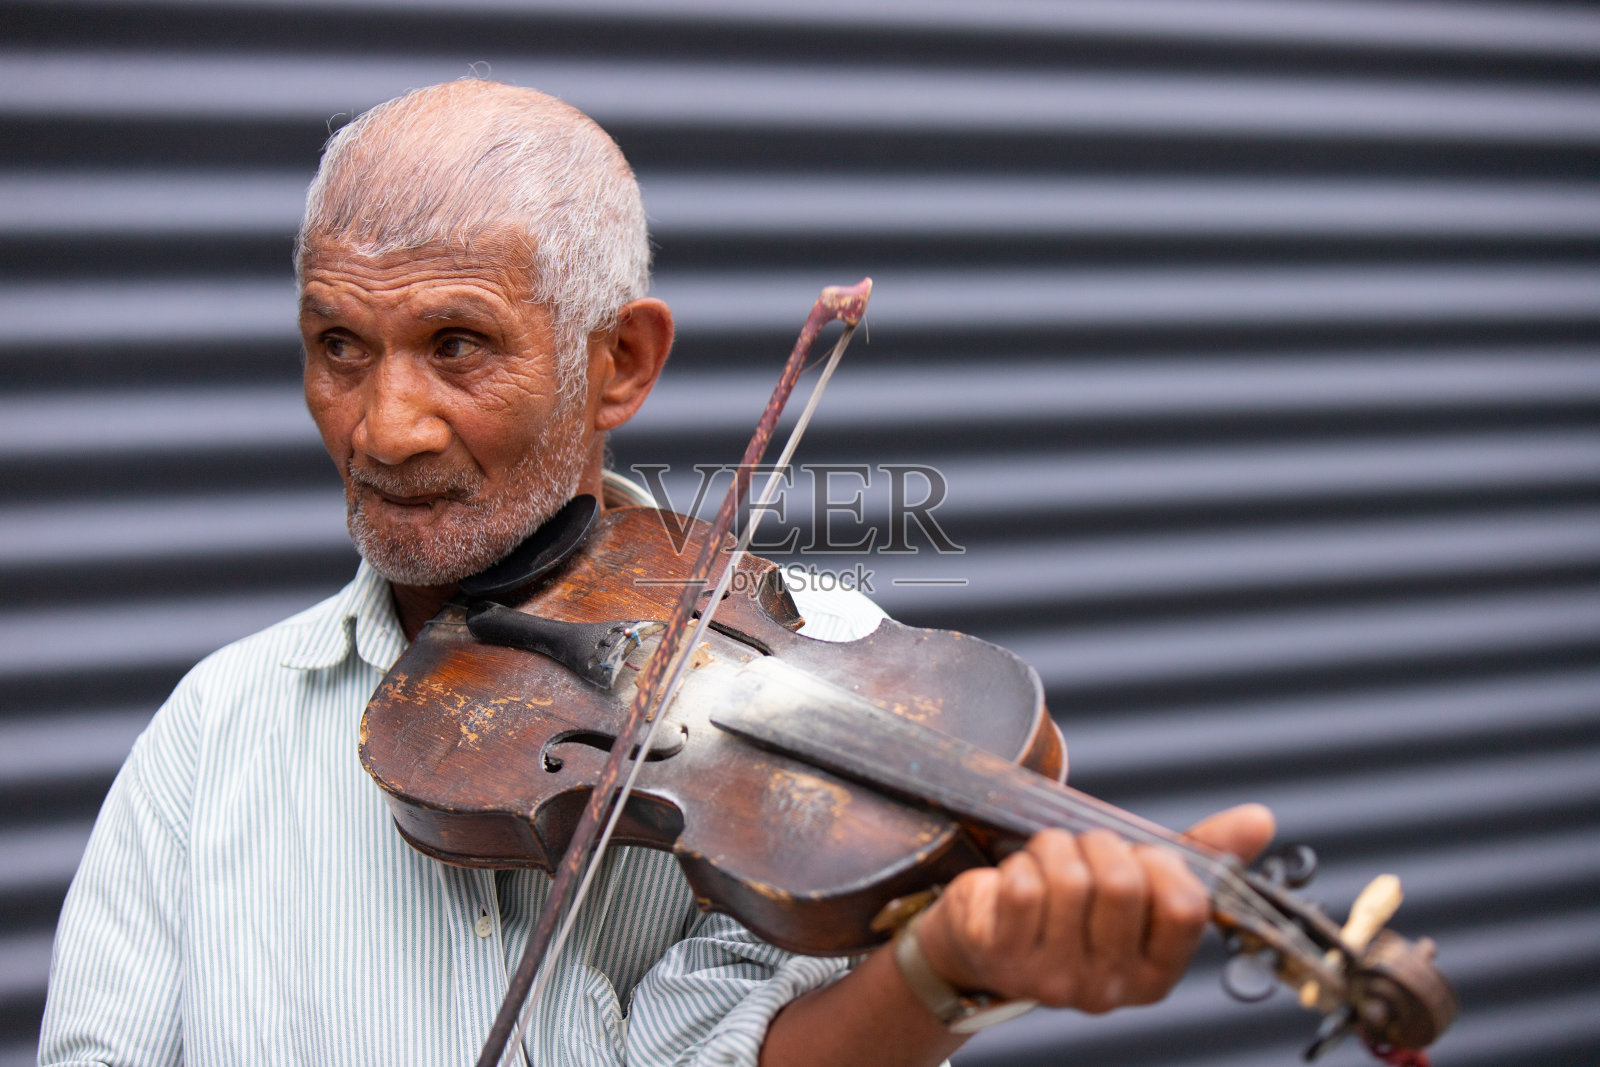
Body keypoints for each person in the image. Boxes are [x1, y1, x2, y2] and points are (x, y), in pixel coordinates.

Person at [40, 79, 1273, 1066]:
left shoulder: (824, 656)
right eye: (338, 346)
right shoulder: (216, 726)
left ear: (620, 361)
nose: (382, 426)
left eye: (456, 343)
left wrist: (938, 969)